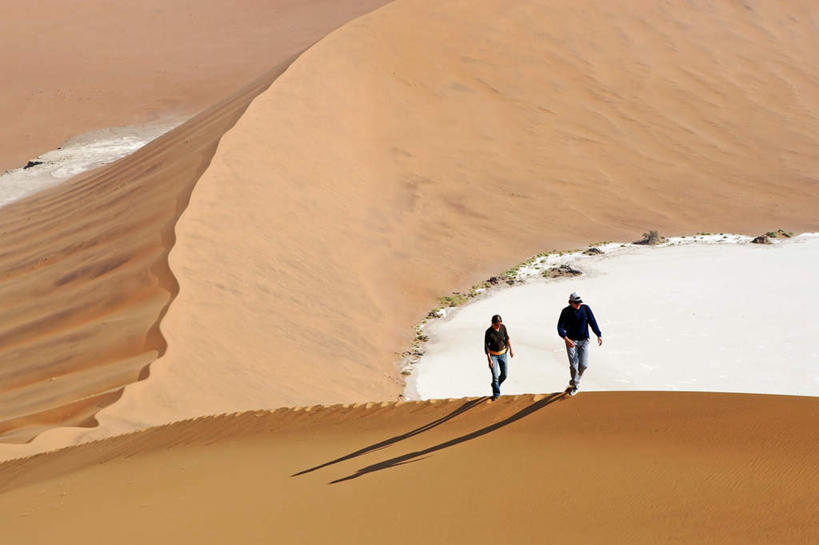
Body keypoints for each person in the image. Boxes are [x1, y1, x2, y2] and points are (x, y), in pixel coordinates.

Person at [557, 292, 602, 396]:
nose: (578, 305)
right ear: (570, 302)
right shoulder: (566, 311)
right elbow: (560, 327)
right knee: (574, 366)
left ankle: (574, 381)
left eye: (579, 303)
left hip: (584, 341)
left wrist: (599, 335)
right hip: (571, 341)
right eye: (576, 303)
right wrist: (566, 339)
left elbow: (592, 322)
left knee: (584, 365)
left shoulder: (585, 309)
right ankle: (576, 385)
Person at [484, 314, 514, 400]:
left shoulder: (503, 327)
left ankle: (495, 385)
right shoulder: (488, 332)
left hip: (503, 354)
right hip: (493, 355)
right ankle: (496, 394)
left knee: (504, 375)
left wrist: (511, 350)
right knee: (495, 376)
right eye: (497, 324)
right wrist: (489, 360)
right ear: (492, 323)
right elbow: (486, 346)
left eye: (499, 323)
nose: (498, 325)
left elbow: (507, 338)